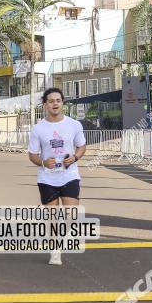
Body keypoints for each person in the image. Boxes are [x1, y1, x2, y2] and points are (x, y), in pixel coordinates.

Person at [28, 87, 87, 266]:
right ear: (45, 104)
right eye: (51, 101)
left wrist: (75, 157)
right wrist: (44, 163)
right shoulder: (38, 129)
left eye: (58, 100)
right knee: (53, 218)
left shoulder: (74, 125)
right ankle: (55, 251)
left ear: (62, 103)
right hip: (47, 179)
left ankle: (60, 241)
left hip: (70, 175)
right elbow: (32, 154)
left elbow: (81, 146)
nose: (55, 103)